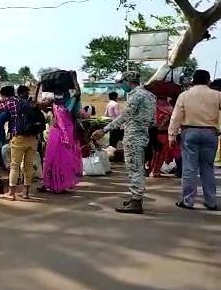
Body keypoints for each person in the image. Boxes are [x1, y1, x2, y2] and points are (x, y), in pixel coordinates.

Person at [92, 71, 156, 214]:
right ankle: (135, 197)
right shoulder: (150, 96)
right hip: (144, 134)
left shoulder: (135, 95)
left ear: (128, 81)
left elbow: (125, 116)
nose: (121, 86)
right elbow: (153, 120)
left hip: (133, 135)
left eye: (122, 83)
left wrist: (104, 130)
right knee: (138, 166)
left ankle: (136, 200)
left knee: (134, 168)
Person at [169, 69, 221, 211]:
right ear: (208, 81)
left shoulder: (184, 95)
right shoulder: (217, 95)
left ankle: (188, 201)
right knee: (208, 168)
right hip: (210, 133)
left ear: (193, 81)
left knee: (189, 168)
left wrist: (171, 135)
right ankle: (211, 201)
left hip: (189, 132)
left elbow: (176, 117)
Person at [0, 86, 37, 199]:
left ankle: (11, 193)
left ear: (4, 95)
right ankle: (25, 192)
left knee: (15, 166)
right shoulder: (28, 101)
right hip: (33, 138)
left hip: (19, 138)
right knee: (28, 165)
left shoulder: (10, 103)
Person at [41, 89, 83, 194]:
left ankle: (59, 184)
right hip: (59, 134)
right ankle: (51, 184)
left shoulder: (68, 104)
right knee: (53, 160)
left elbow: (78, 93)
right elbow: (39, 105)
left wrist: (74, 79)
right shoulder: (56, 105)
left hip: (63, 135)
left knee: (61, 161)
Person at [149, 96, 173, 178]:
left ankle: (152, 170)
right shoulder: (170, 109)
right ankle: (156, 170)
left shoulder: (153, 109)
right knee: (161, 154)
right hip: (165, 135)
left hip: (154, 134)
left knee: (154, 153)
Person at [0, 86, 14, 168]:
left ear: (4, 95)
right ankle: (0, 161)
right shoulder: (10, 103)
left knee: (0, 145)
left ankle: (1, 162)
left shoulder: (8, 104)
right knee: (0, 145)